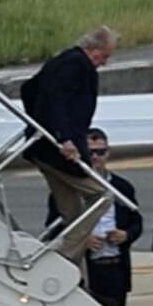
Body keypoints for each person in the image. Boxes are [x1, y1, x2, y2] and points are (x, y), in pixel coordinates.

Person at [47, 128, 143, 306]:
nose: (98, 158)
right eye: (92, 152)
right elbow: (52, 227)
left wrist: (125, 235)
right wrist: (81, 240)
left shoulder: (123, 187)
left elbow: (137, 220)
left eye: (102, 152)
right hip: (84, 273)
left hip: (113, 268)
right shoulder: (67, 188)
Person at [21, 25, 119, 262]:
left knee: (73, 213)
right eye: (104, 56)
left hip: (42, 149)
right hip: (60, 152)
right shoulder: (76, 65)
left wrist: (37, 121)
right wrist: (64, 137)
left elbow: (28, 89)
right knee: (103, 195)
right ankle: (64, 255)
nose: (104, 62)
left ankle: (73, 266)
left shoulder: (60, 61)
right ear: (93, 49)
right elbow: (59, 101)